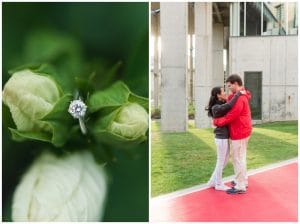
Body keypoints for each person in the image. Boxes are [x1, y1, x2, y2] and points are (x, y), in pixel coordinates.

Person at [213, 74, 252, 194]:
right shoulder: (240, 95)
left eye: (230, 86)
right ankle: (242, 180)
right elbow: (230, 101)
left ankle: (240, 185)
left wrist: (217, 121)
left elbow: (232, 115)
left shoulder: (240, 97)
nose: (229, 89)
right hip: (242, 130)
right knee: (241, 157)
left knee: (237, 158)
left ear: (235, 83)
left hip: (239, 131)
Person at [206, 86, 244, 191]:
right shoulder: (216, 107)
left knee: (224, 160)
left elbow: (229, 105)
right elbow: (229, 105)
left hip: (223, 137)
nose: (225, 92)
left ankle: (212, 181)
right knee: (221, 161)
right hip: (221, 138)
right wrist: (238, 94)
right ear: (218, 95)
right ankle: (218, 184)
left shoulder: (221, 104)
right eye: (222, 91)